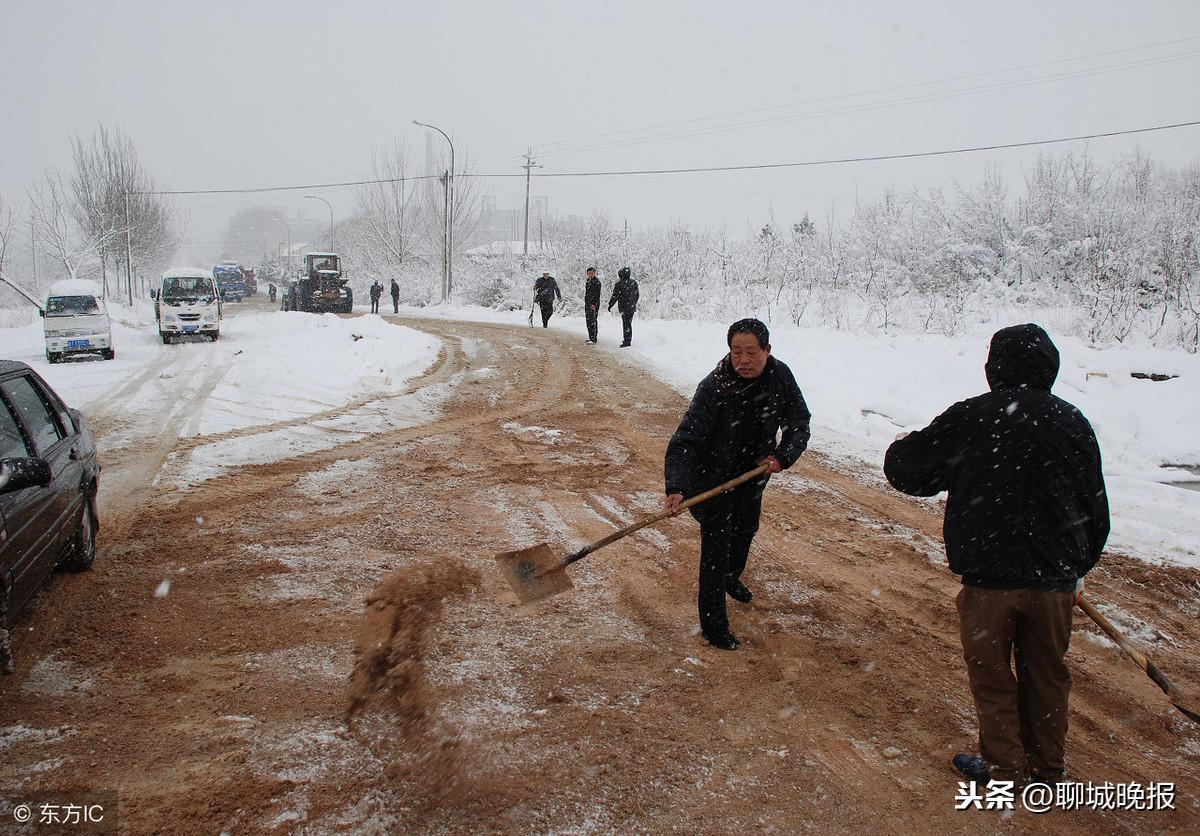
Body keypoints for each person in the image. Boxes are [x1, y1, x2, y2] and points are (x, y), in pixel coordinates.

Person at [883, 323, 1109, 789]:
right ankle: (1048, 772)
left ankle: (1005, 768)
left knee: (992, 677)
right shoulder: (1072, 422)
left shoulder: (974, 417)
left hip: (991, 580)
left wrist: (906, 445)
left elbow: (908, 471)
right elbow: (1095, 506)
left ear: (993, 367)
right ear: (1051, 367)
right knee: (1047, 676)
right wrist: (1077, 566)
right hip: (1054, 584)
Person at [664, 318, 811, 650]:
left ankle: (733, 576)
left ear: (767, 351)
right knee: (716, 546)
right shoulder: (714, 387)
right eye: (736, 352)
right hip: (711, 480)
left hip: (753, 474)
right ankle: (713, 625)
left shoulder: (780, 376)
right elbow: (686, 441)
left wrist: (783, 455)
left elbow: (799, 422)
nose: (743, 360)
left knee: (746, 529)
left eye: (751, 352)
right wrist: (676, 486)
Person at [608, 266, 639, 347]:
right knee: (628, 323)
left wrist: (610, 305)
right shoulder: (634, 282)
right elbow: (637, 295)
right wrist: (633, 303)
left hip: (623, 307)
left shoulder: (619, 284)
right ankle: (628, 339)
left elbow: (615, 296)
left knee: (626, 324)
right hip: (631, 307)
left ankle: (627, 341)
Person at [584, 267, 601, 343]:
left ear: (594, 273)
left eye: (591, 273)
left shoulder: (596, 282)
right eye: (589, 273)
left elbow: (597, 295)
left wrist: (594, 304)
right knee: (588, 320)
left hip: (594, 304)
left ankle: (594, 338)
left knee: (593, 321)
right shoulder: (588, 281)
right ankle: (590, 337)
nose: (590, 274)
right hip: (587, 303)